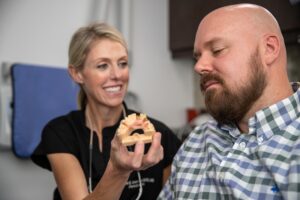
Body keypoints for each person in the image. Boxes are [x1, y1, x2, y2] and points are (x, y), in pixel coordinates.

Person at [158, 3, 300, 200]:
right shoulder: (196, 142)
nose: (199, 66)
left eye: (217, 50)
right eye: (197, 57)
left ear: (269, 49)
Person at [31, 22, 181, 200]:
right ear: (77, 73)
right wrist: (119, 171)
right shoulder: (60, 133)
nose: (117, 75)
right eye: (103, 66)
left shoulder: (159, 134)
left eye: (122, 63)